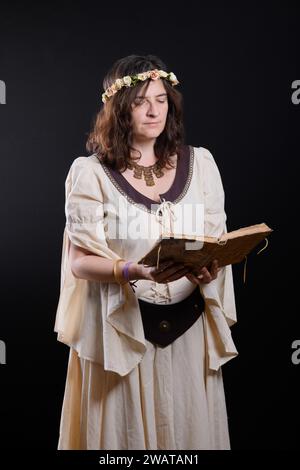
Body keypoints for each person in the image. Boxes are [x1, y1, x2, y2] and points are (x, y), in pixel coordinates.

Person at [54, 54, 238, 450]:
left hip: (189, 329)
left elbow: (212, 243)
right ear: (119, 109)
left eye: (161, 99)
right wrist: (131, 271)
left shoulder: (201, 164)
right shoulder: (90, 173)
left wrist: (211, 270)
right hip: (123, 330)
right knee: (126, 442)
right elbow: (79, 262)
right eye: (140, 101)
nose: (154, 111)